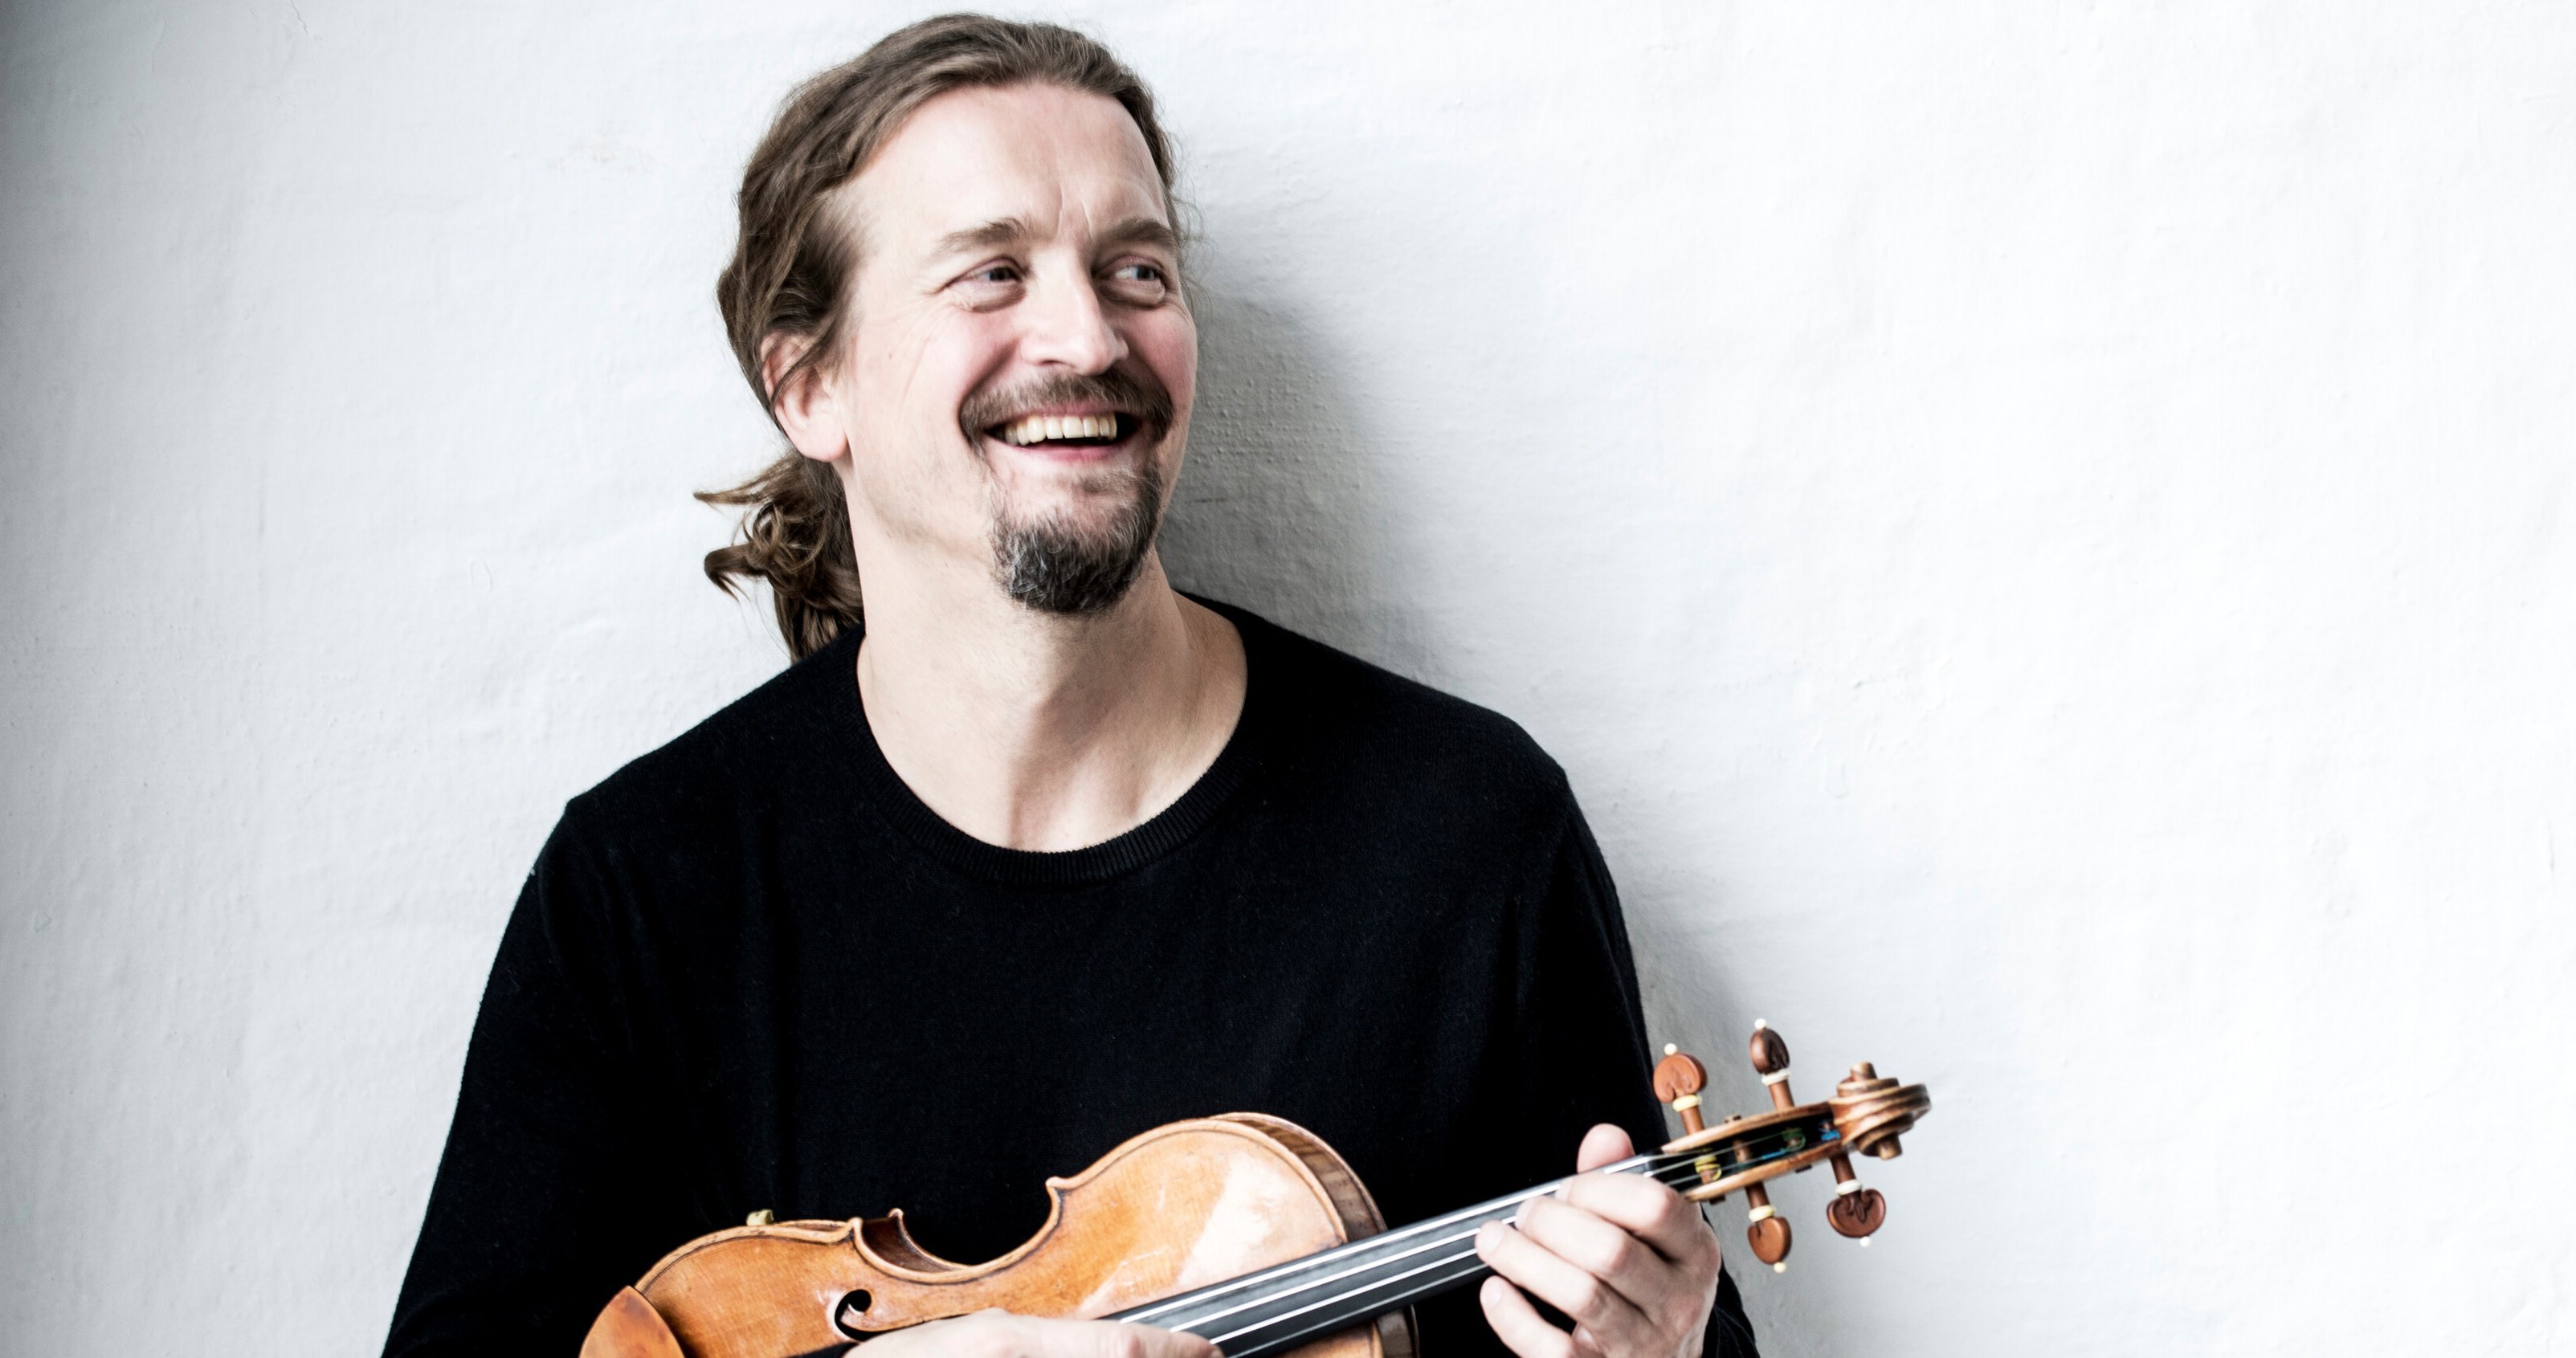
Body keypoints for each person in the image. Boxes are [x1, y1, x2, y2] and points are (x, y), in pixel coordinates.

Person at [382, 16, 1757, 1358]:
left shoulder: (1465, 837)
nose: (1087, 338)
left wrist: (1667, 1351)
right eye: (990, 273)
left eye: (1137, 271)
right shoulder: (647, 887)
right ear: (808, 387)